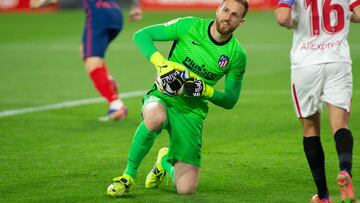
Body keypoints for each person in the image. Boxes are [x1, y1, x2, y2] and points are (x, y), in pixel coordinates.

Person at [106, 0, 248, 197]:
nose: (227, 17)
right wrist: (162, 65)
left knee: (186, 189)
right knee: (155, 118)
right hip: (163, 96)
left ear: (241, 22)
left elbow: (231, 100)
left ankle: (164, 161)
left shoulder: (237, 55)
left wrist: (205, 90)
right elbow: (142, 35)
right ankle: (127, 176)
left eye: (235, 15)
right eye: (226, 10)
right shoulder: (189, 25)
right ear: (218, 9)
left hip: (192, 112)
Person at [275, 0, 360, 202]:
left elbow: (283, 18)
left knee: (311, 128)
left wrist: (293, 21)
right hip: (337, 61)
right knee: (340, 125)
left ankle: (323, 196)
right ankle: (345, 170)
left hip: (306, 64)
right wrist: (344, 17)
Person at [30, 0, 143, 121]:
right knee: (85, 50)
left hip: (99, 15)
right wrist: (136, 6)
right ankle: (106, 80)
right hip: (115, 14)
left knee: (92, 62)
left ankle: (115, 104)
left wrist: (41, 3)